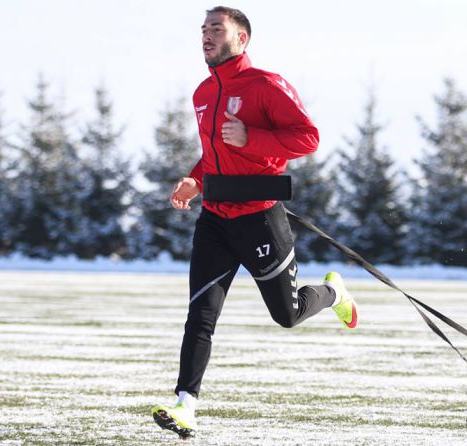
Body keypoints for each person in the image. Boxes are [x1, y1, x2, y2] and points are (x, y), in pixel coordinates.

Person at [151, 6, 358, 438]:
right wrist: (196, 179)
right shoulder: (202, 93)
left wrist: (253, 138)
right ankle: (185, 405)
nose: (206, 36)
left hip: (260, 218)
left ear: (241, 39)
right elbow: (213, 156)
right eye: (203, 29)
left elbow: (308, 137)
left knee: (287, 314)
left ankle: (333, 291)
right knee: (200, 316)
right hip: (215, 219)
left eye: (216, 29)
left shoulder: (266, 84)